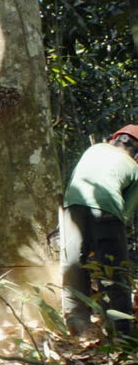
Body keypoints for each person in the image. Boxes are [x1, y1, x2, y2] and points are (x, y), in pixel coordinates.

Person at [61, 124, 138, 336]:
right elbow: (126, 212)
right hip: (109, 211)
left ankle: (77, 325)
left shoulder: (93, 149)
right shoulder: (135, 167)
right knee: (113, 271)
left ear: (113, 139)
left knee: (74, 264)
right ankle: (120, 331)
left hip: (72, 206)